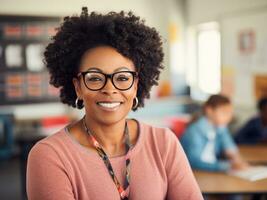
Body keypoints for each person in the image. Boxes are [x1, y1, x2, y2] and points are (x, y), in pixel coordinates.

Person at [26, 7, 203, 200]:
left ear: (135, 85)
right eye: (94, 78)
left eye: (122, 77)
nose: (110, 89)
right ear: (78, 87)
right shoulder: (50, 156)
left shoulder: (163, 143)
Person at [180, 94, 248, 172]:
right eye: (224, 112)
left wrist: (237, 159)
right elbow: (194, 162)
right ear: (209, 110)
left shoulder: (220, 127)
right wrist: (227, 166)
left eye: (230, 113)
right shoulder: (195, 131)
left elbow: (230, 147)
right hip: (196, 173)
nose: (229, 117)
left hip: (211, 172)